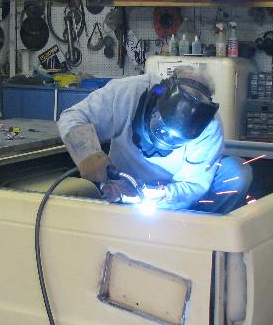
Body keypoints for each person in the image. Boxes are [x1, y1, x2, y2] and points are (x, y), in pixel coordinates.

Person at [56, 66, 252, 214]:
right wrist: (87, 154)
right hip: (119, 181)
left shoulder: (209, 126)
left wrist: (150, 195)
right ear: (159, 95)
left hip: (174, 194)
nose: (166, 139)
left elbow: (194, 186)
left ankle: (198, 236)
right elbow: (72, 116)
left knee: (235, 173)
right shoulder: (127, 92)